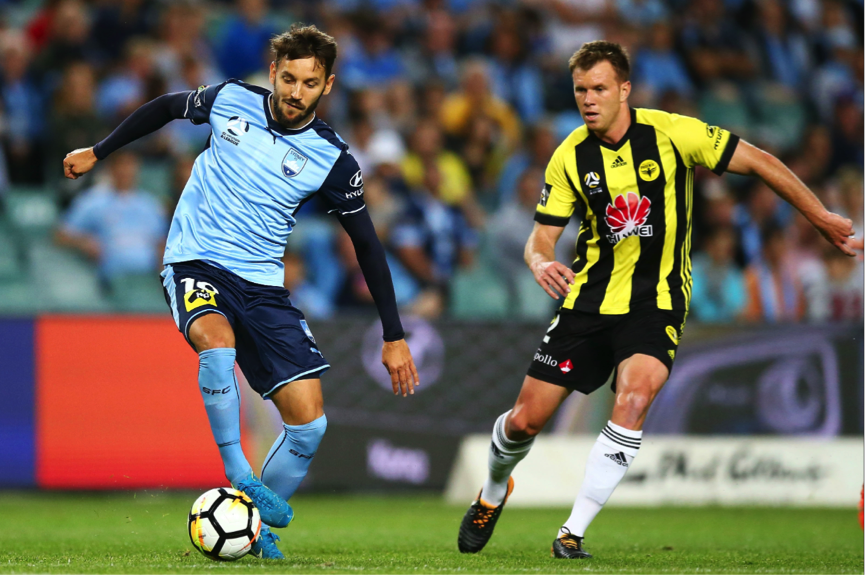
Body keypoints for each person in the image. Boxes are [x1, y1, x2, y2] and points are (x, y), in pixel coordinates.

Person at [456, 40, 856, 560]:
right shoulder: (570, 155)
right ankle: (493, 490)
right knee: (524, 421)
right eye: (580, 90)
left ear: (625, 89)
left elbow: (758, 161)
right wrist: (539, 261)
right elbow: (541, 236)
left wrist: (820, 216)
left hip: (657, 301)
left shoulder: (673, 133)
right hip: (589, 301)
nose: (588, 100)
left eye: (599, 88)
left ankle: (572, 532)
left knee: (635, 396)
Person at [62, 24, 419, 561]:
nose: (297, 92)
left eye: (310, 83)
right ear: (273, 72)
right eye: (290, 78)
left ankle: (247, 528)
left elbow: (367, 246)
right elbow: (165, 106)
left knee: (310, 425)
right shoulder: (230, 99)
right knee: (217, 342)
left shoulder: (334, 160)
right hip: (194, 259)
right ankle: (239, 473)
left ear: (328, 87)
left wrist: (394, 334)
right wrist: (100, 149)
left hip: (262, 285)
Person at [55, 151, 167, 284]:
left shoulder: (150, 204)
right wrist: (83, 242)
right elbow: (60, 235)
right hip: (110, 280)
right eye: (121, 165)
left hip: (149, 279)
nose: (126, 171)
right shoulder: (92, 201)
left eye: (131, 165)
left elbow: (161, 241)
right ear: (110, 169)